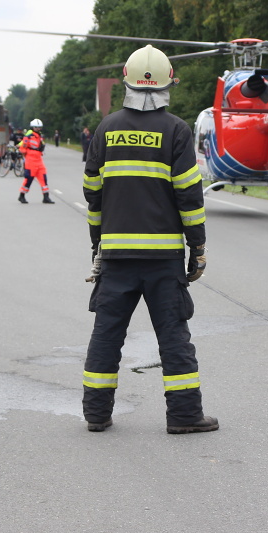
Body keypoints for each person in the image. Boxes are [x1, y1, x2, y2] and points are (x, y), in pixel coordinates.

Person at [81, 44, 216, 435]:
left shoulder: (106, 128)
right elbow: (189, 196)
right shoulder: (176, 130)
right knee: (174, 337)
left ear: (126, 81)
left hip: (117, 256)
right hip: (163, 258)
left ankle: (96, 414)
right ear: (168, 83)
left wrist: (98, 246)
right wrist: (198, 247)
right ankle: (185, 415)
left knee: (106, 335)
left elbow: (93, 194)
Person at [17, 119, 53, 204]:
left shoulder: (40, 136)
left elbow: (41, 146)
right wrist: (28, 153)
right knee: (28, 179)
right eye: (37, 128)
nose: (38, 129)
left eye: (39, 128)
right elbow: (23, 149)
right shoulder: (28, 136)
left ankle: (46, 197)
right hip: (30, 161)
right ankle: (22, 195)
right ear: (33, 127)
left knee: (43, 178)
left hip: (39, 160)